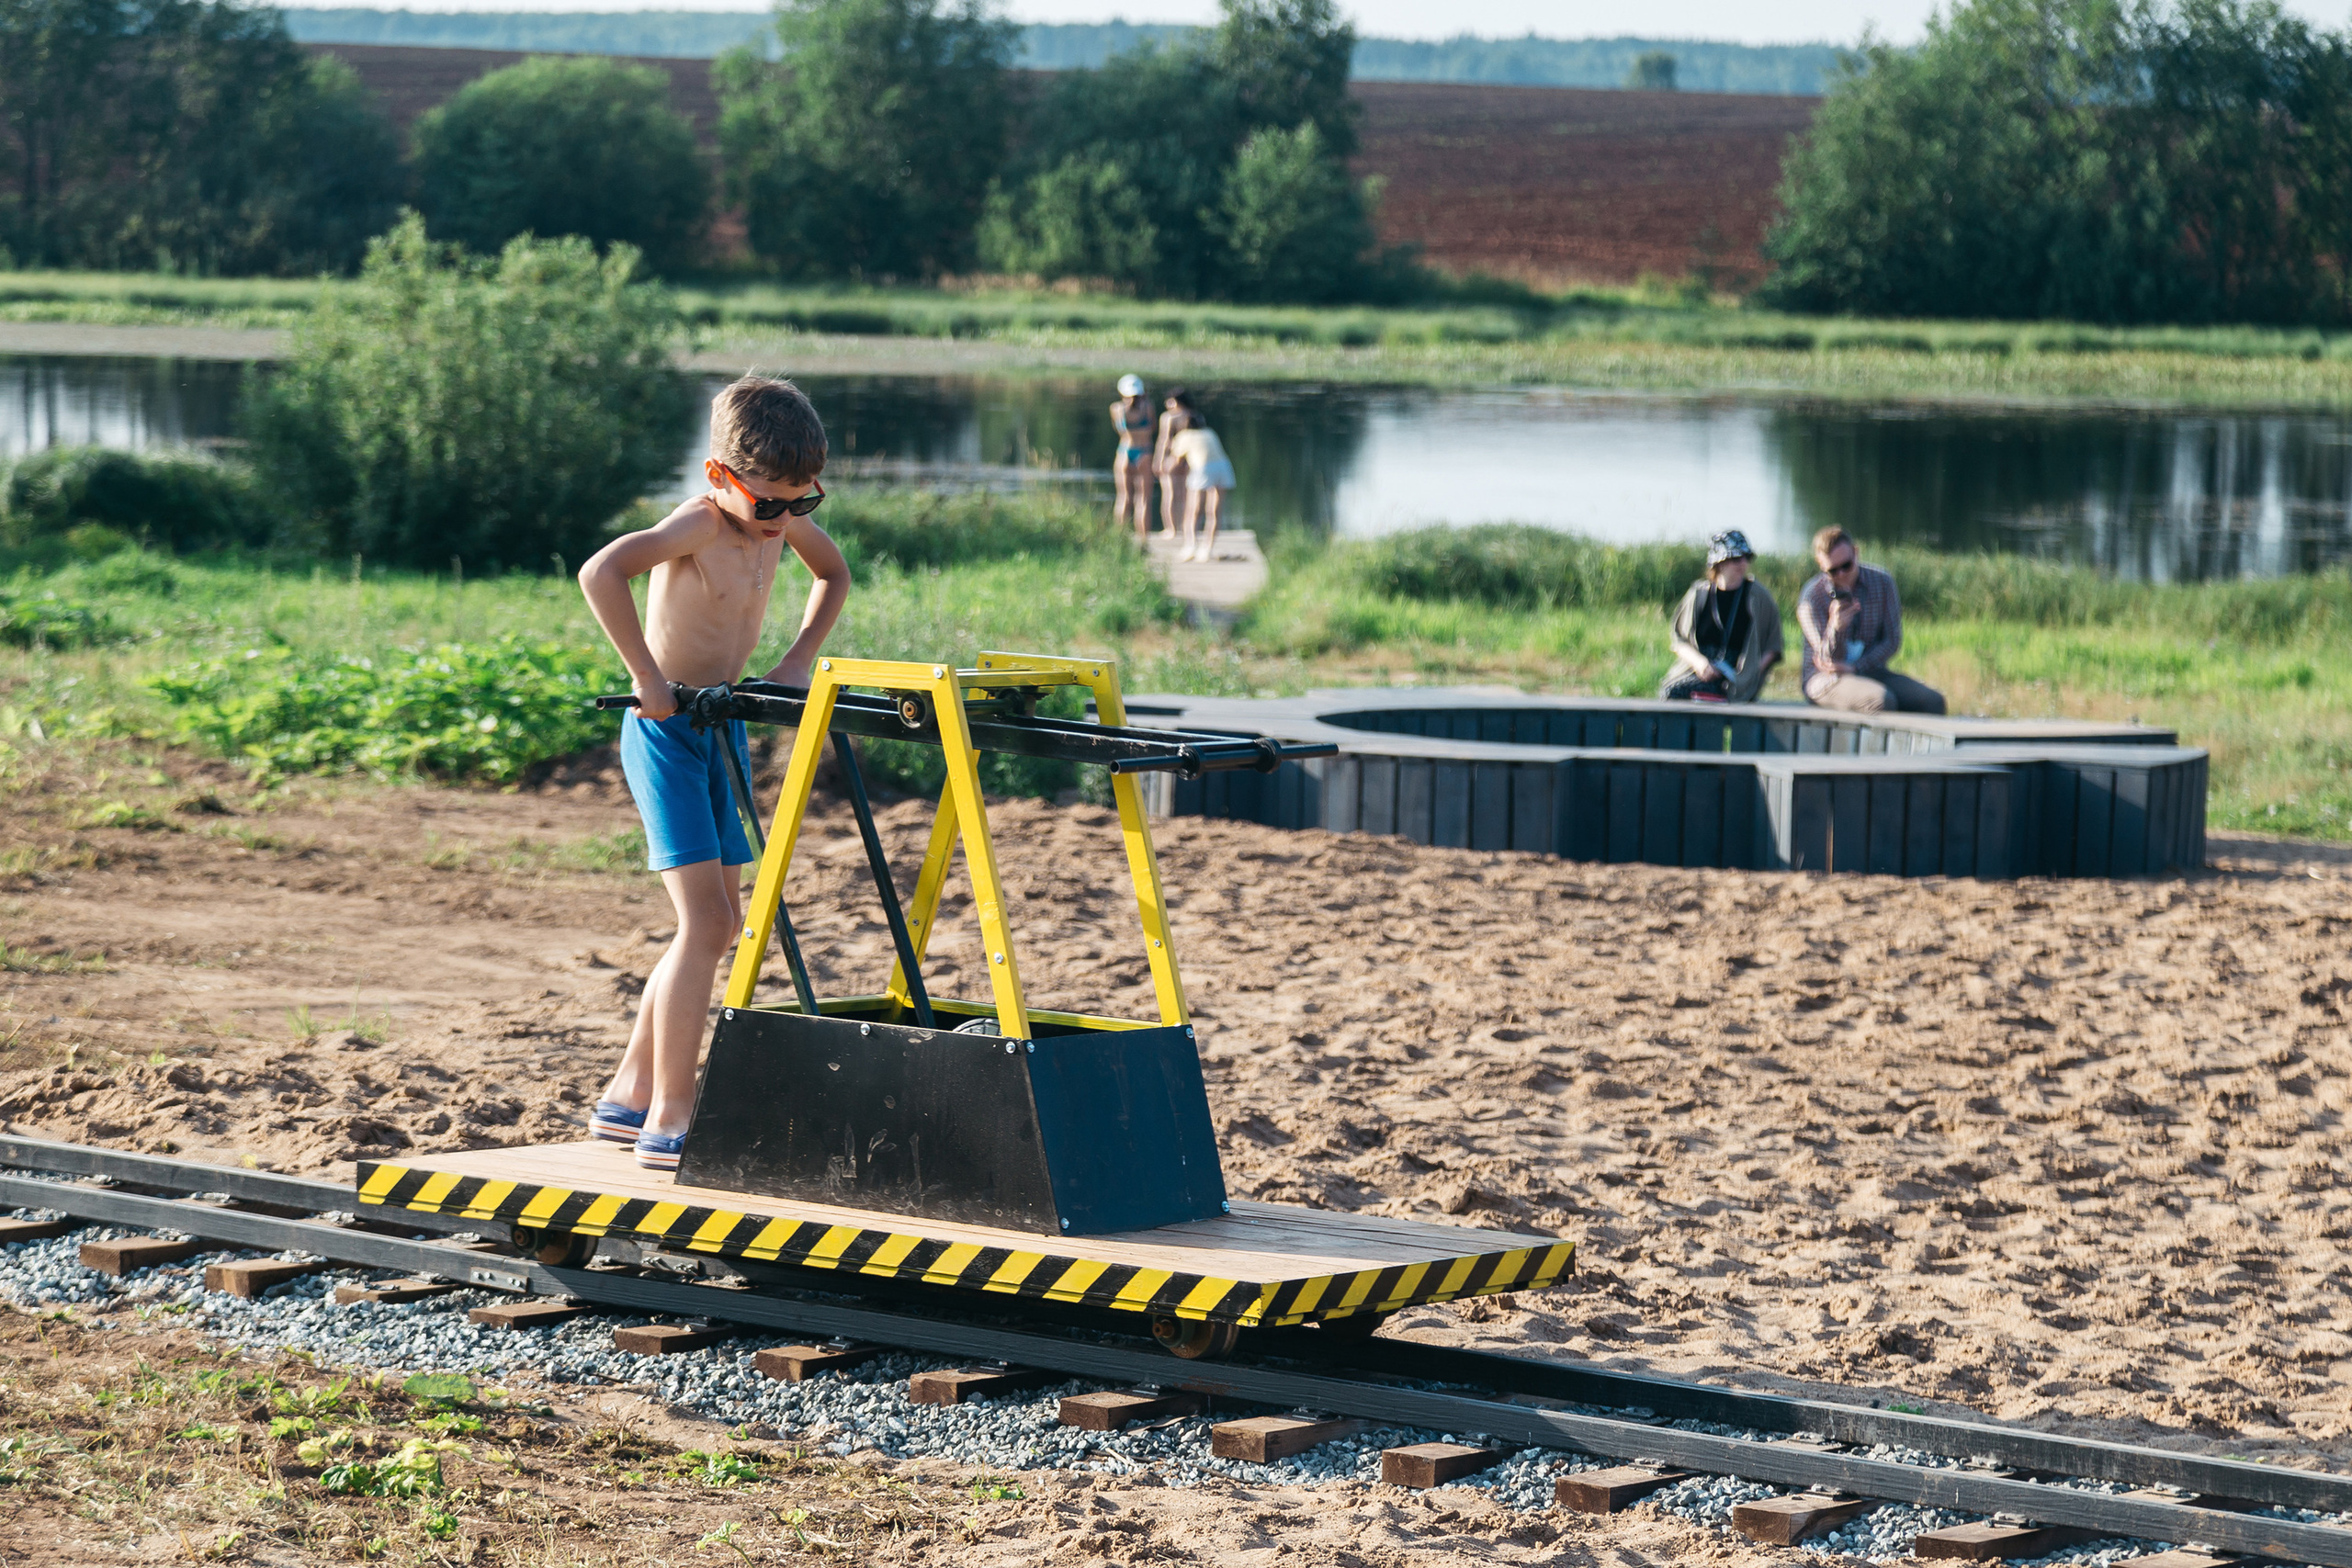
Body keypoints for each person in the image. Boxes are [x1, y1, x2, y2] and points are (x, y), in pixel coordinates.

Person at [576, 375, 852, 1170]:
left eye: (803, 504)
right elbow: (601, 571)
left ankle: (628, 1093)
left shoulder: (778, 526)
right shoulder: (697, 523)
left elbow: (834, 576)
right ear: (719, 477)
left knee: (720, 925)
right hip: (666, 732)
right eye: (769, 505)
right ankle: (671, 1109)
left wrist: (797, 660)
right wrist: (645, 676)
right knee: (704, 925)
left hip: (719, 729)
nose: (784, 522)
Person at [1795, 525, 1945, 714]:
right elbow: (1826, 661)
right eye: (1833, 570)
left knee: (1933, 701)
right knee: (1881, 700)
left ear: (1856, 553)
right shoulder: (1811, 598)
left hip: (1871, 671)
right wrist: (1836, 628)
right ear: (1820, 564)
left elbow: (1892, 640)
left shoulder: (1882, 582)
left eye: (1846, 565)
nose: (1841, 574)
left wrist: (1856, 668)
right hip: (1824, 679)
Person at [1661, 529, 1782, 702]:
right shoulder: (1698, 594)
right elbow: (1679, 640)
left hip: (1740, 674)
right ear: (1719, 563)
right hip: (1700, 669)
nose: (1743, 564)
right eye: (1735, 559)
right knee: (1671, 692)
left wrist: (1751, 674)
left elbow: (1773, 645)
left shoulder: (1758, 596)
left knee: (1694, 694)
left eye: (1746, 557)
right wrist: (1699, 663)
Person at [1168, 409, 1236, 563]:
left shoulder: (1183, 436)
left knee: (1193, 511)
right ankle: (1207, 549)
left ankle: (1190, 547)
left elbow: (1176, 463)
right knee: (1214, 512)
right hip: (1223, 467)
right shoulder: (1210, 432)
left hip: (1202, 468)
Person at [1109, 373, 1156, 546]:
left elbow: (1119, 430)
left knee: (1123, 498)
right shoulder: (1148, 406)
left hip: (1124, 452)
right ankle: (1143, 540)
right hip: (1144, 452)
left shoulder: (1116, 408)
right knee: (1143, 499)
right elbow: (1152, 427)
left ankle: (1118, 538)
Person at [1154, 389, 1195, 541]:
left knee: (1170, 495)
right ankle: (1186, 527)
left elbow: (1164, 441)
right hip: (1189, 459)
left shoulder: (1168, 418)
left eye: (1170, 400)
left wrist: (1158, 460)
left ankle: (1170, 528)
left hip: (1171, 458)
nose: (1167, 404)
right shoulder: (1195, 416)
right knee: (1186, 496)